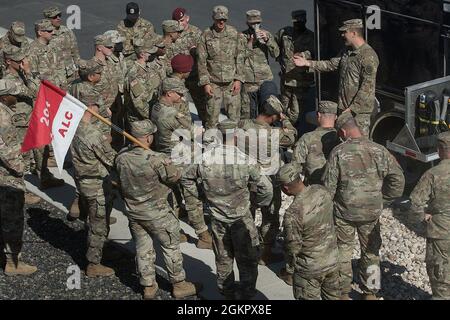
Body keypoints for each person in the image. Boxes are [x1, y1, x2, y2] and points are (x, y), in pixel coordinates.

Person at [115, 119, 202, 299]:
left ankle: (148, 286)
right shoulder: (156, 159)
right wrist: (172, 164)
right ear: (147, 138)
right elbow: (174, 177)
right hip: (157, 212)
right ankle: (179, 284)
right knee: (171, 246)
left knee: (142, 248)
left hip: (134, 211)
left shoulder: (121, 156)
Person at [322, 112, 405, 299]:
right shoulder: (379, 150)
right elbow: (398, 179)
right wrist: (385, 200)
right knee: (371, 253)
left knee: (343, 252)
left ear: (343, 131)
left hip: (345, 213)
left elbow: (328, 187)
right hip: (371, 213)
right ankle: (370, 293)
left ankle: (343, 292)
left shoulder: (338, 152)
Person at [181, 120, 262, 299]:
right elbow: (264, 187)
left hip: (217, 218)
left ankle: (227, 292)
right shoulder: (246, 160)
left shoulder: (204, 158)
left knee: (223, 259)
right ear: (236, 136)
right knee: (247, 260)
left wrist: (203, 196)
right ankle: (248, 293)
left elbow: (186, 178)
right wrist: (256, 201)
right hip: (241, 218)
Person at [293, 19, 379, 137]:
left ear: (354, 33)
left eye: (345, 32)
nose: (342, 35)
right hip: (344, 109)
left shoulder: (368, 56)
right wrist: (307, 63)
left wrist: (352, 109)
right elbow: (331, 64)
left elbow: (367, 87)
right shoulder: (347, 52)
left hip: (358, 113)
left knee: (358, 146)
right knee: (342, 143)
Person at [238, 95, 297, 265]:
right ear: (273, 117)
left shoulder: (242, 125)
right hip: (267, 181)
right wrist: (285, 121)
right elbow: (292, 136)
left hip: (246, 180)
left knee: (247, 213)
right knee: (270, 216)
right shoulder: (274, 134)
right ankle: (265, 252)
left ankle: (247, 248)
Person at [277, 163, 340, 300]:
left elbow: (292, 248)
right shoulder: (321, 191)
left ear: (285, 188)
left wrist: (290, 270)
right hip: (333, 261)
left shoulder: (293, 213)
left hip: (309, 270)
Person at [71, 102, 117, 277]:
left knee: (93, 218)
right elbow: (111, 159)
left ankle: (100, 249)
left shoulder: (75, 128)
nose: (100, 107)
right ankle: (94, 263)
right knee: (99, 223)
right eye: (95, 104)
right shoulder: (92, 134)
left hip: (83, 181)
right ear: (89, 109)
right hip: (96, 184)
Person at [0, 78, 38, 276]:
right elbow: (7, 152)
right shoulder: (3, 116)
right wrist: (21, 169)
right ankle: (13, 262)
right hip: (7, 177)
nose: (16, 97)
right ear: (4, 97)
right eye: (13, 94)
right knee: (13, 218)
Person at [409, 131, 450, 300]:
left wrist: (422, 222)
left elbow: (415, 204)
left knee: (440, 276)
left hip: (440, 232)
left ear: (440, 149)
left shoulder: (433, 174)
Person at [197, 5, 245, 129]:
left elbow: (240, 57)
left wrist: (238, 80)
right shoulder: (206, 35)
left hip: (231, 83)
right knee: (211, 117)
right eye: (218, 19)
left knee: (234, 117)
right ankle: (210, 142)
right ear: (213, 18)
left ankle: (232, 143)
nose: (221, 22)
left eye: (224, 19)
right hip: (213, 83)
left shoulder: (233, 33)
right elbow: (201, 61)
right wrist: (206, 83)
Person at [276, 10, 315, 131]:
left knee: (296, 112)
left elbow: (316, 54)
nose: (297, 25)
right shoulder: (285, 32)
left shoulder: (311, 36)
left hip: (301, 82)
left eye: (300, 22)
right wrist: (280, 59)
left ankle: (293, 132)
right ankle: (284, 134)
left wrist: (304, 54)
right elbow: (276, 45)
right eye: (295, 23)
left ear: (305, 21)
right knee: (282, 108)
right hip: (286, 80)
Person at [240, 10, 279, 119]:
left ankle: (265, 133)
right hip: (249, 81)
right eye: (252, 23)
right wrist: (250, 44)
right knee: (249, 112)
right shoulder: (242, 36)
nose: (255, 26)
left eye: (257, 23)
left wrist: (268, 40)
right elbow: (239, 57)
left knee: (266, 111)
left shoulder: (266, 34)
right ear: (247, 23)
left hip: (264, 79)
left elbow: (276, 54)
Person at [170, 7, 206, 126]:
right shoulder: (173, 33)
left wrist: (195, 52)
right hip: (179, 78)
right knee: (179, 106)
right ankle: (183, 130)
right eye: (177, 21)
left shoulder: (196, 33)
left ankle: (205, 129)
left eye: (181, 20)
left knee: (202, 106)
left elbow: (203, 55)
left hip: (194, 76)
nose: (179, 24)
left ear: (187, 18)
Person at [291, 101, 339, 185]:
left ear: (319, 115)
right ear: (335, 117)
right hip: (336, 190)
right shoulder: (342, 138)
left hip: (313, 191)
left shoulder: (306, 138)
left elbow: (295, 167)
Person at [124, 38, 161, 124]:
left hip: (152, 112)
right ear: (142, 54)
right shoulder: (134, 75)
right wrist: (153, 117)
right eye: (151, 53)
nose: (153, 55)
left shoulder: (148, 68)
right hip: (141, 119)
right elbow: (139, 104)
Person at [43, 6, 81, 88]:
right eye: (54, 17)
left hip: (70, 72)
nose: (58, 18)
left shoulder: (67, 31)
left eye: (59, 16)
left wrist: (78, 67)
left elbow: (75, 52)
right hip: (56, 76)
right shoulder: (45, 34)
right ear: (47, 19)